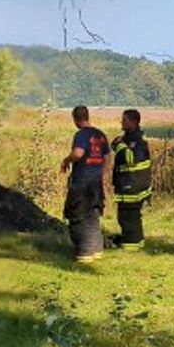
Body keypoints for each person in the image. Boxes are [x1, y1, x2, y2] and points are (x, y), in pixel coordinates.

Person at [60, 105, 109, 263]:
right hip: (96, 181)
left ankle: (85, 252)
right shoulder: (100, 134)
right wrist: (104, 173)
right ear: (87, 116)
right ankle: (96, 250)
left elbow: (78, 153)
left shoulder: (81, 135)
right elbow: (107, 156)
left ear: (75, 119)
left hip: (82, 181)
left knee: (78, 215)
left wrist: (66, 161)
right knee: (93, 215)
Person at [111, 109, 153, 247]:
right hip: (129, 183)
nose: (121, 122)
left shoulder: (138, 141)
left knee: (129, 215)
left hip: (133, 185)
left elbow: (130, 159)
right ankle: (130, 239)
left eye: (124, 120)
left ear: (133, 122)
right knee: (125, 215)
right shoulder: (128, 138)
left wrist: (119, 145)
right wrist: (118, 144)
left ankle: (132, 244)